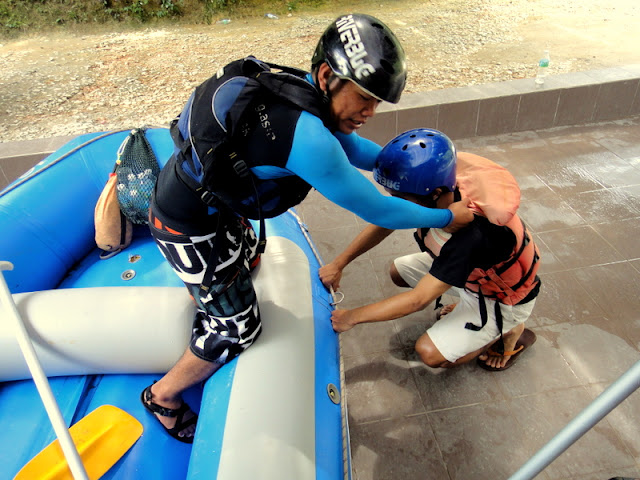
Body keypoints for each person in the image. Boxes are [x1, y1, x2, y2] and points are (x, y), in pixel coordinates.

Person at [141, 15, 474, 442]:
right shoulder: (308, 139)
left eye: (377, 103)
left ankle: (211, 296)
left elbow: (358, 150)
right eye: (365, 98)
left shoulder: (301, 89)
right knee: (237, 329)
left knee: (247, 261)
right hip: (186, 225)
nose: (370, 113)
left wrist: (415, 166)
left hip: (212, 204)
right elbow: (380, 209)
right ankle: (162, 396)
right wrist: (448, 217)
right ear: (326, 76)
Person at [320, 128, 541, 372]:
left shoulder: (475, 234)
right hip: (472, 274)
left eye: (402, 199)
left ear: (435, 194)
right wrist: (340, 262)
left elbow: (418, 300)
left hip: (499, 297)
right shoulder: (440, 186)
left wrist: (351, 317)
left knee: (430, 354)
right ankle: (467, 308)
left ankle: (507, 332)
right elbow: (389, 219)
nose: (397, 204)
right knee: (398, 271)